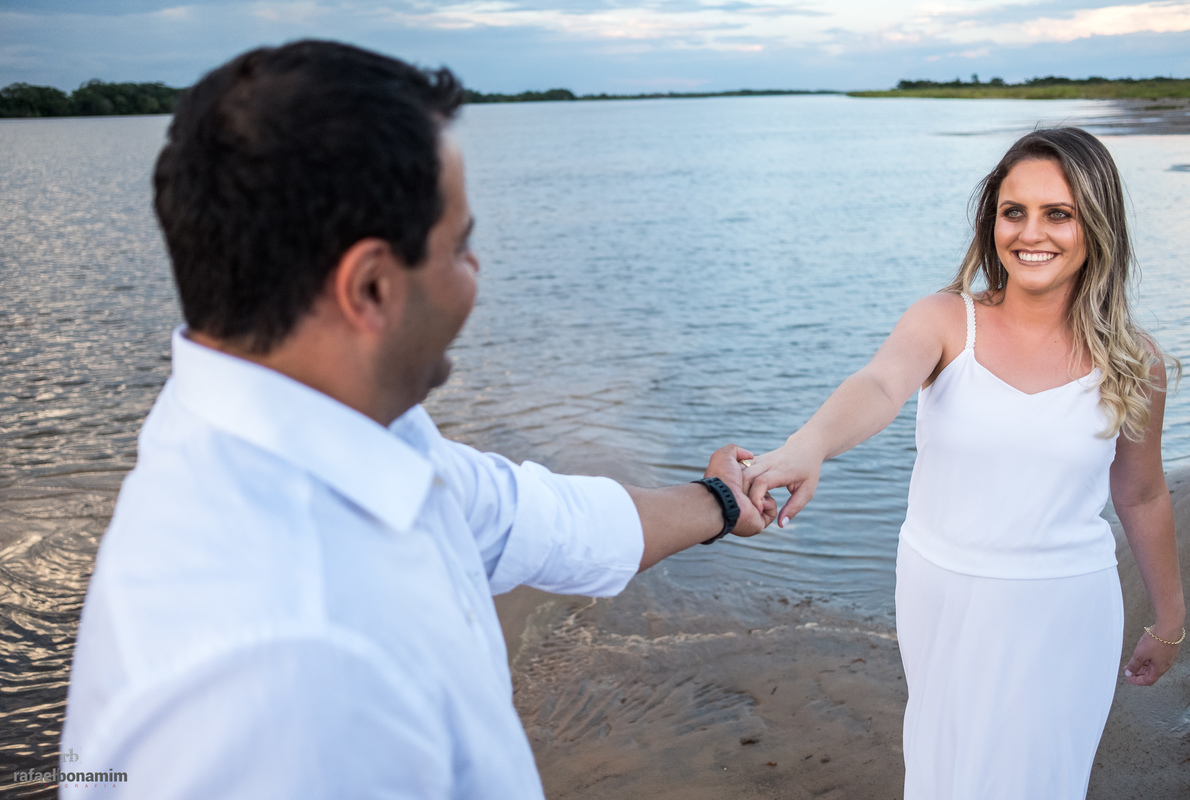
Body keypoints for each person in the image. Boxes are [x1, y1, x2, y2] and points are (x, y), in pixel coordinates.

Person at [59, 40, 776, 799]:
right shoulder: (284, 670)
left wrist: (719, 501)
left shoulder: (331, 426)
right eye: (461, 246)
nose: (477, 272)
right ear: (369, 287)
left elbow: (528, 516)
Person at [744, 127, 1185, 798]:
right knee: (948, 770)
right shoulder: (948, 320)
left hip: (1065, 607)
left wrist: (1170, 618)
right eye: (1015, 211)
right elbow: (880, 385)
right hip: (943, 590)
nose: (1030, 232)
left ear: (1097, 225)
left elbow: (1143, 494)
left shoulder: (1132, 360)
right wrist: (810, 445)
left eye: (1058, 213)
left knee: (1037, 777)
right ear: (992, 219)